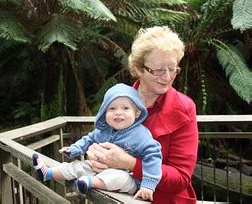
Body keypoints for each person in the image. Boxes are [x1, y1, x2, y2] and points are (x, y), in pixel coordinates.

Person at [86, 26, 199, 203]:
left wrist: (130, 163)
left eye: (172, 68)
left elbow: (181, 179)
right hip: (120, 197)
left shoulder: (184, 108)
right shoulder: (118, 102)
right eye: (159, 70)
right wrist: (95, 154)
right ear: (139, 68)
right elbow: (102, 139)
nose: (167, 76)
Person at [32, 83, 162, 201]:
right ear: (104, 112)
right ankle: (48, 173)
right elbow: (88, 139)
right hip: (99, 170)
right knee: (78, 166)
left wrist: (148, 185)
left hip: (129, 179)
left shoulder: (141, 135)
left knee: (118, 177)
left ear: (137, 112)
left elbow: (154, 156)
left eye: (125, 108)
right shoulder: (103, 131)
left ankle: (89, 182)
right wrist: (74, 149)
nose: (118, 113)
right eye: (112, 108)